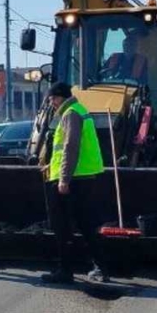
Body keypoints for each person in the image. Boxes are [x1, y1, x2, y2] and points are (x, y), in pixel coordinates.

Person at [38, 82, 109, 284]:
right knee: (85, 223)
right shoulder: (77, 110)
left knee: (63, 226)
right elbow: (62, 151)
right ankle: (98, 267)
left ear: (60, 97)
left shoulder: (70, 114)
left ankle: (66, 271)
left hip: (74, 179)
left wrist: (63, 179)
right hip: (81, 176)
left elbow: (70, 147)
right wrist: (51, 167)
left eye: (52, 99)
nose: (51, 103)